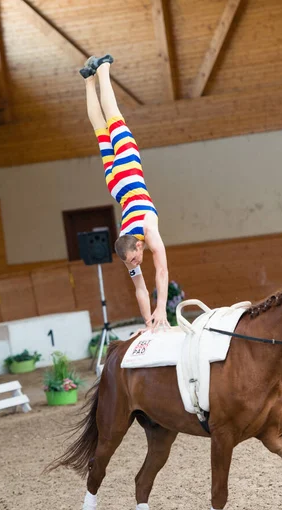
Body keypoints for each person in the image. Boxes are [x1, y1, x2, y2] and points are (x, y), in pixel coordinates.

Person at [80, 54, 169, 331]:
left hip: (128, 174)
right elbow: (140, 288)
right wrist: (149, 320)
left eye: (134, 259)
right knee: (101, 130)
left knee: (113, 120)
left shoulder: (147, 231)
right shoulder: (126, 245)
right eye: (132, 262)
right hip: (115, 186)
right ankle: (88, 79)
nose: (135, 263)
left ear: (137, 246)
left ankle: (103, 69)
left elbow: (162, 271)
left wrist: (162, 309)